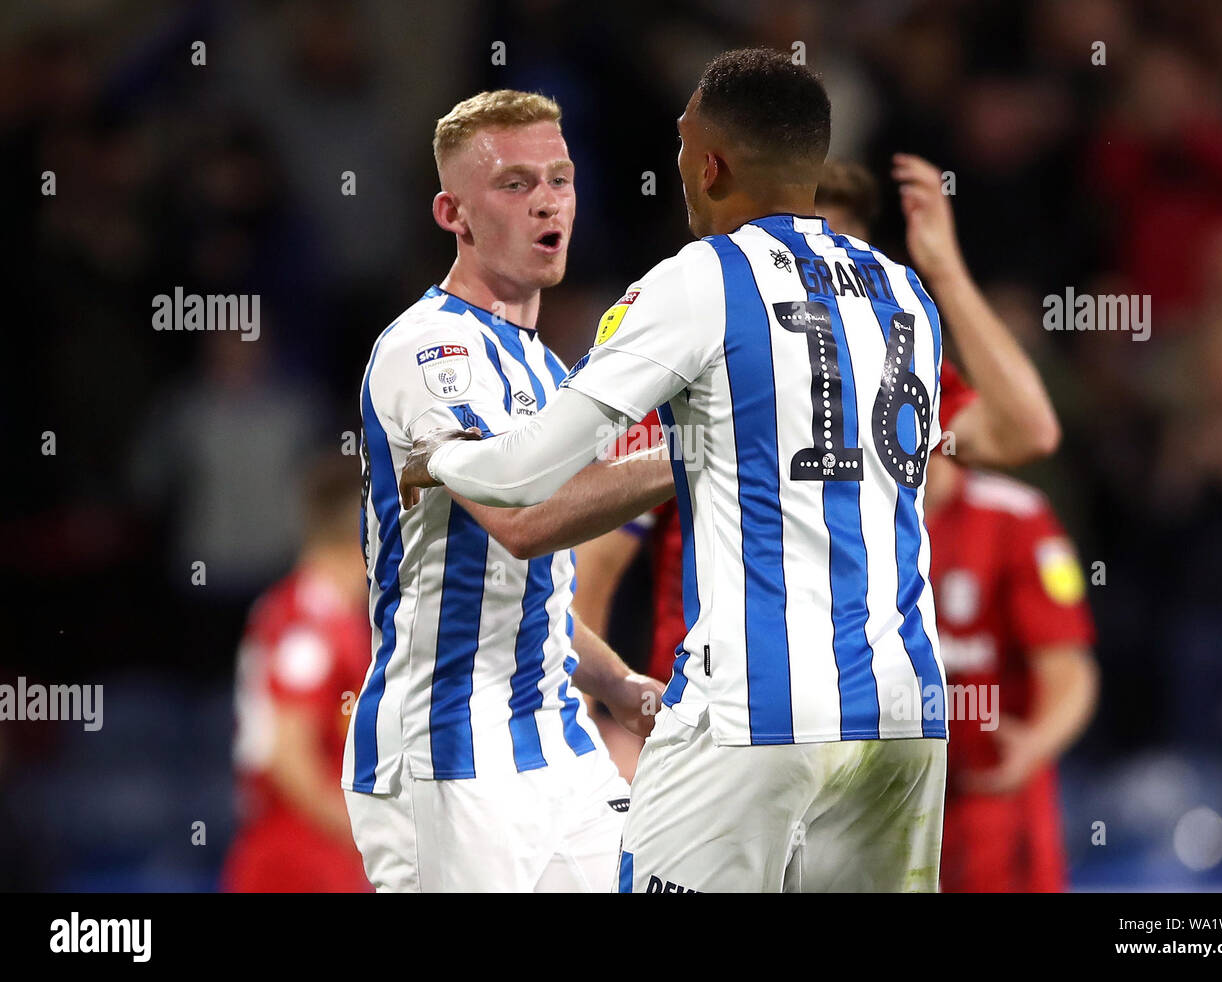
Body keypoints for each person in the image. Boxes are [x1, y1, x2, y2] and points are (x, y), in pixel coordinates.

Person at [402, 49, 954, 892]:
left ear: (712, 164)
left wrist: (439, 455)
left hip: (752, 710)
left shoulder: (700, 280)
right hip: (904, 707)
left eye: (683, 145)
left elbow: (523, 477)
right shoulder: (906, 295)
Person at [573, 153, 1063, 774]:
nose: (822, 278)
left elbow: (1026, 432)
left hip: (867, 728)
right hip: (721, 731)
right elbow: (597, 559)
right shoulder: (699, 375)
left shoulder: (894, 369)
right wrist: (591, 724)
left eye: (841, 257)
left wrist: (945, 270)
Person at [343, 89, 673, 892]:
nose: (548, 202)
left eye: (559, 180)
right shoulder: (430, 350)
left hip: (558, 744)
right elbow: (520, 525)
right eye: (516, 184)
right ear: (452, 213)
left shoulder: (547, 368)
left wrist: (616, 683)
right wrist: (703, 455)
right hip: (447, 754)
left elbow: (532, 588)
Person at [925, 451, 1098, 891]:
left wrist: (1035, 742)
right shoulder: (844, 515)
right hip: (882, 801)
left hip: (992, 805)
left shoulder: (1015, 516)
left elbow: (1070, 670)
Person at [223, 455, 374, 893]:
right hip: (297, 860)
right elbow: (289, 757)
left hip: (314, 853)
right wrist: (369, 840)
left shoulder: (318, 613)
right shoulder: (308, 624)